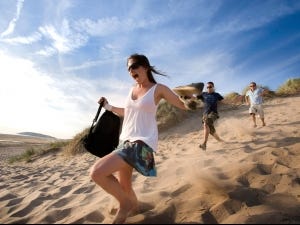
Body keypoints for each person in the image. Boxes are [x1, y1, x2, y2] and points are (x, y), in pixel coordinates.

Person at [89, 53, 194, 224]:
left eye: (135, 66)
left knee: (96, 172)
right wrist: (107, 106)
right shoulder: (132, 89)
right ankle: (135, 210)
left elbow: (183, 105)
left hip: (141, 143)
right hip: (125, 141)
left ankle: (125, 204)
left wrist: (193, 100)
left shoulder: (158, 89)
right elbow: (128, 112)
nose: (131, 70)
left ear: (145, 67)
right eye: (129, 68)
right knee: (125, 186)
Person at [197, 81, 224, 151]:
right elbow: (195, 99)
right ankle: (221, 141)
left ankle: (204, 144)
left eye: (210, 87)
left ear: (213, 87)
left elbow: (224, 101)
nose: (208, 88)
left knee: (206, 123)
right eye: (207, 87)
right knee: (212, 131)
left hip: (213, 113)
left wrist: (234, 102)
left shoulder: (216, 94)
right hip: (205, 114)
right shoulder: (203, 94)